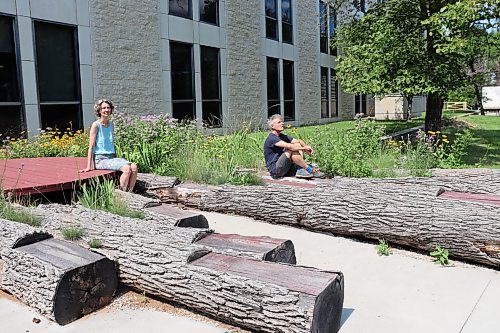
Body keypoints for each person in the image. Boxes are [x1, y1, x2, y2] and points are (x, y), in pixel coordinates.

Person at [80, 99, 138, 192]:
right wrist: (88, 166)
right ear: (99, 111)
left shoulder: (111, 124)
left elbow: (111, 143)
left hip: (111, 158)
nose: (106, 110)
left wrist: (116, 159)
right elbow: (91, 146)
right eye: (103, 108)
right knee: (127, 168)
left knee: (134, 167)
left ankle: (130, 193)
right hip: (100, 160)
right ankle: (123, 195)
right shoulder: (96, 125)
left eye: (108, 107)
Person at [263, 114, 325, 179]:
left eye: (282, 122)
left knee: (297, 144)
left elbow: (299, 141)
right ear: (272, 126)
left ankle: (300, 169)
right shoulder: (272, 138)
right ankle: (309, 170)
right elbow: (289, 146)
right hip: (276, 171)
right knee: (291, 149)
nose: (282, 123)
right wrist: (304, 148)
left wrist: (306, 147)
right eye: (279, 122)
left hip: (286, 168)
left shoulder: (282, 136)